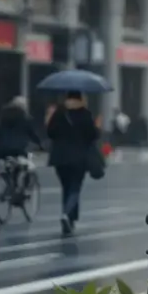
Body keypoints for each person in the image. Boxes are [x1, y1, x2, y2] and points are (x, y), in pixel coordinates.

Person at [46, 91, 100, 236]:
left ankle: (70, 220)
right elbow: (93, 135)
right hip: (78, 157)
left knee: (66, 187)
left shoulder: (59, 112)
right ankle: (66, 214)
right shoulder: (85, 114)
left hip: (60, 157)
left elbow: (50, 132)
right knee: (75, 187)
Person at [0, 96, 42, 193]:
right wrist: (40, 144)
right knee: (25, 167)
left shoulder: (3, 118)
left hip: (2, 150)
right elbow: (32, 134)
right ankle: (22, 188)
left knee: (6, 168)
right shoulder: (24, 118)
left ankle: (9, 184)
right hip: (18, 149)